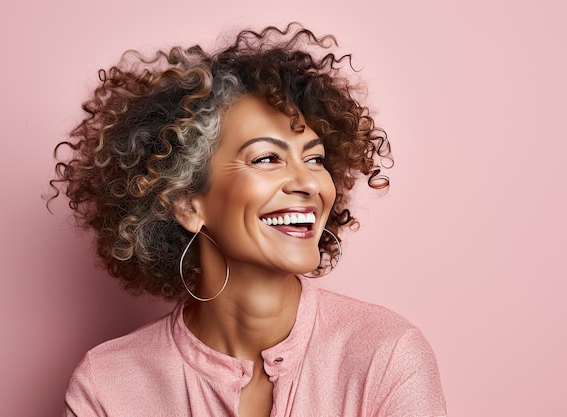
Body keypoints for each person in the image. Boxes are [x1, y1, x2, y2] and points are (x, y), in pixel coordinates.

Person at [50, 23, 447, 417]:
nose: (308, 182)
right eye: (266, 159)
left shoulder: (385, 356)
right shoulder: (108, 386)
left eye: (315, 159)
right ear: (188, 203)